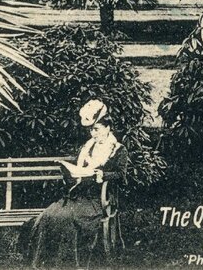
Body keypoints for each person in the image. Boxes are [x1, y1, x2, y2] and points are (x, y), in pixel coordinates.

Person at [26, 100, 129, 268]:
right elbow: (78, 169)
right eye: (91, 130)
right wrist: (67, 169)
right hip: (78, 194)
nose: (93, 134)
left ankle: (66, 265)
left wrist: (103, 174)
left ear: (108, 128)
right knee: (50, 214)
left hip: (97, 199)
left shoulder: (117, 149)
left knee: (68, 218)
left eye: (96, 129)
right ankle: (42, 263)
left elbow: (121, 175)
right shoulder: (88, 147)